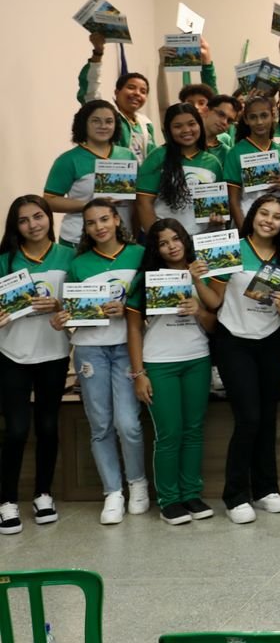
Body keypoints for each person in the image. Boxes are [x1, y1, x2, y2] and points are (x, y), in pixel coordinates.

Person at [54, 198, 148, 525]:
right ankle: (113, 492)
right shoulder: (79, 263)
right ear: (85, 228)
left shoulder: (139, 255)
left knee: (128, 423)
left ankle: (137, 484)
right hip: (89, 350)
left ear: (117, 220)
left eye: (105, 219)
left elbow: (150, 299)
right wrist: (62, 319)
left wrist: (129, 307)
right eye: (91, 223)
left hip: (126, 347)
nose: (99, 227)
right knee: (100, 425)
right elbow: (71, 311)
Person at [206, 193, 280, 524]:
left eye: (277, 216)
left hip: (271, 341)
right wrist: (196, 276)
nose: (269, 221)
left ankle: (266, 489)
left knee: (268, 417)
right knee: (248, 418)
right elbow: (214, 302)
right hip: (234, 341)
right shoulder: (230, 248)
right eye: (264, 213)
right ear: (252, 215)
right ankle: (235, 495)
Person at [128, 219, 220, 524]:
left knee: (193, 431)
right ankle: (169, 500)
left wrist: (198, 306)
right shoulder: (145, 280)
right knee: (169, 433)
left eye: (176, 239)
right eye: (163, 242)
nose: (172, 246)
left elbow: (213, 324)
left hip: (197, 359)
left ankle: (191, 494)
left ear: (185, 239)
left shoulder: (201, 272)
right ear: (155, 249)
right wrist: (139, 374)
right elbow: (134, 329)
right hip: (159, 363)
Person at [0, 197, 73, 534]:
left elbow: (78, 303)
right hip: (11, 353)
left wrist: (59, 305)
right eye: (24, 220)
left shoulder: (68, 256)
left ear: (49, 218)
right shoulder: (4, 261)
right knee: (16, 429)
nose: (33, 225)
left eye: (38, 216)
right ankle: (6, 500)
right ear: (15, 227)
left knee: (47, 426)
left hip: (53, 353)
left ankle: (43, 494)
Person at [44, 100, 138, 246]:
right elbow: (49, 201)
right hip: (78, 240)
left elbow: (137, 199)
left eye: (109, 121)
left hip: (120, 238)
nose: (103, 126)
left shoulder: (127, 156)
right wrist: (90, 205)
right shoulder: (68, 160)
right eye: (96, 121)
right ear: (84, 124)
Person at [135, 103, 226, 237]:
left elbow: (217, 207)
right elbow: (143, 202)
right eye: (178, 126)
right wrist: (157, 240)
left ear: (199, 125)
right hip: (166, 240)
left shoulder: (213, 162)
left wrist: (217, 219)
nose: (186, 130)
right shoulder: (157, 156)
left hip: (201, 239)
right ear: (168, 130)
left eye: (191, 124)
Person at [222, 96, 280, 228]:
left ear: (273, 116)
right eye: (253, 117)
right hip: (248, 221)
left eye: (264, 116)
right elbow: (233, 200)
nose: (259, 122)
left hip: (277, 225)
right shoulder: (235, 153)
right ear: (246, 120)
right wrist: (245, 231)